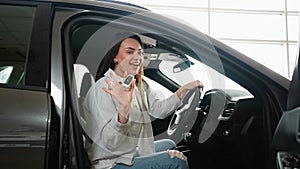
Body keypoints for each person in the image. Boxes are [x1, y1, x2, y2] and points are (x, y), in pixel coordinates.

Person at [83, 33, 204, 169]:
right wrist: (123, 109)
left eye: (140, 53)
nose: (137, 57)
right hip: (110, 162)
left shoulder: (137, 84)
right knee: (176, 161)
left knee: (168, 145)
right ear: (115, 57)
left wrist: (184, 89)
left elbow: (158, 110)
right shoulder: (104, 88)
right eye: (130, 52)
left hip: (125, 153)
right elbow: (110, 143)